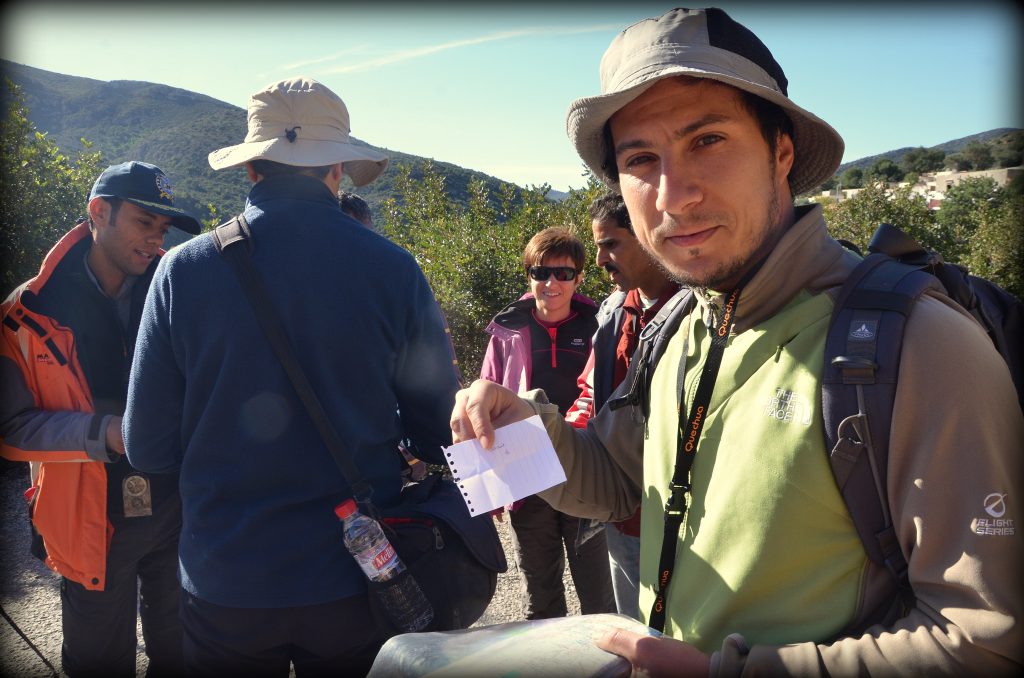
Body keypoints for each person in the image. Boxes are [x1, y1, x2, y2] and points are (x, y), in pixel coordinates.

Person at [451, 7, 1023, 676]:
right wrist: (528, 429)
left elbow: (985, 640)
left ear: (781, 152)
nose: (674, 196)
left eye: (708, 140)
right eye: (641, 159)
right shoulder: (679, 328)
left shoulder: (916, 345)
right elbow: (615, 486)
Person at [122, 77, 461, 676]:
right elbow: (440, 432)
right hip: (357, 576)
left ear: (252, 167)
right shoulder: (392, 269)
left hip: (225, 577)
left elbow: (148, 447)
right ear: (336, 168)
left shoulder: (180, 272)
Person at [0, 161, 201, 676]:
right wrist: (105, 433)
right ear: (98, 212)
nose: (156, 240)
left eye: (163, 229)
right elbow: (11, 426)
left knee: (180, 655)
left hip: (176, 512)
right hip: (89, 524)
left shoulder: (177, 294)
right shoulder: (26, 313)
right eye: (143, 222)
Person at [479, 226, 615, 620]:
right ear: (529, 277)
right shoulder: (508, 331)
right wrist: (492, 484)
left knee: (598, 593)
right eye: (541, 273)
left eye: (563, 273)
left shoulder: (600, 327)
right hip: (527, 473)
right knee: (539, 594)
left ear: (579, 278)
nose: (551, 282)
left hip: (584, 468)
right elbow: (487, 403)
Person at [564, 191, 678, 620]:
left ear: (650, 236)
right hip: (625, 518)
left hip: (683, 522)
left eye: (610, 244)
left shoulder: (705, 314)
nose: (598, 261)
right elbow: (592, 394)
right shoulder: (615, 313)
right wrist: (558, 442)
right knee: (634, 632)